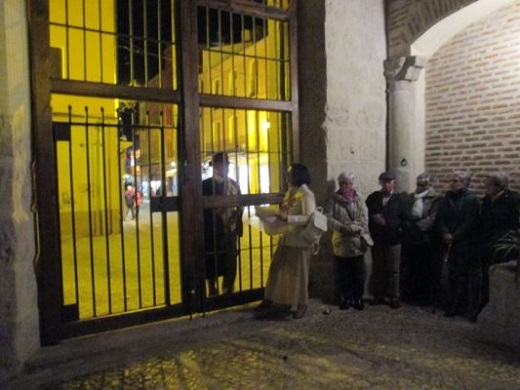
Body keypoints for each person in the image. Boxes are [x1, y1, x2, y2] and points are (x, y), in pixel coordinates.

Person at [254, 163, 316, 319]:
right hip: (286, 238)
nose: (286, 176)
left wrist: (287, 218)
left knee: (299, 273)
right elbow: (286, 211)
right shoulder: (290, 193)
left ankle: (302, 303)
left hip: (299, 240)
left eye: (289, 173)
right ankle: (271, 298)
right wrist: (274, 216)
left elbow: (308, 218)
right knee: (277, 268)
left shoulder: (306, 194)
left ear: (298, 175)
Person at [475, 174, 520, 320]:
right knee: (485, 278)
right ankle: (483, 308)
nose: (485, 188)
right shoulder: (487, 201)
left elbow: (512, 224)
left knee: (498, 278)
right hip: (486, 244)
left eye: (488, 185)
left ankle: (498, 312)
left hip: (502, 246)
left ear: (498, 186)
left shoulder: (512, 200)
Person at [436, 170, 479, 320]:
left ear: (464, 183)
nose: (452, 184)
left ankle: (459, 305)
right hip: (448, 240)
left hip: (462, 243)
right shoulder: (447, 198)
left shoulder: (471, 199)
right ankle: (449, 302)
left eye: (455, 181)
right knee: (451, 275)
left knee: (461, 275)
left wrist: (455, 235)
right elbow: (440, 217)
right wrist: (445, 232)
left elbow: (470, 221)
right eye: (452, 181)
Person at [325, 172, 370, 311]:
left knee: (358, 273)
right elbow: (328, 217)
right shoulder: (333, 200)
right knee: (343, 273)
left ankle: (358, 297)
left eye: (349, 183)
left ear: (352, 184)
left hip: (356, 241)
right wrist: (340, 227)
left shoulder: (359, 199)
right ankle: (345, 297)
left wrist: (352, 227)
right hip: (341, 242)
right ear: (340, 184)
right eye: (344, 183)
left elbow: (364, 218)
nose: (346, 186)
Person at [365, 171, 408, 309]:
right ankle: (378, 294)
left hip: (393, 240)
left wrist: (396, 229)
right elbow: (369, 211)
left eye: (389, 182)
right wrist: (374, 217)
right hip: (378, 239)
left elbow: (405, 219)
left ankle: (394, 296)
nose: (386, 185)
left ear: (394, 183)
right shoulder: (373, 197)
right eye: (383, 182)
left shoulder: (400, 199)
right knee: (378, 268)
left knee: (394, 270)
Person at [202, 152, 243, 296]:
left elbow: (240, 204)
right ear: (215, 167)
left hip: (229, 229)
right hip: (212, 230)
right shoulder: (205, 185)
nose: (226, 168)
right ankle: (212, 289)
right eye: (222, 165)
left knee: (230, 260)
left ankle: (228, 288)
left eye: (227, 165)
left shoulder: (233, 184)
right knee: (212, 259)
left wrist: (236, 219)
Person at [401, 172, 442, 306]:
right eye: (419, 184)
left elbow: (433, 217)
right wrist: (408, 226)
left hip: (425, 237)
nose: (420, 187)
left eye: (424, 184)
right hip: (411, 236)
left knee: (425, 268)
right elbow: (406, 213)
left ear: (430, 184)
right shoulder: (411, 197)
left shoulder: (436, 198)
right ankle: (411, 294)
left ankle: (424, 297)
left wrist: (418, 227)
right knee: (410, 266)